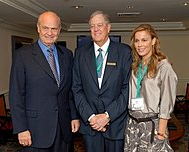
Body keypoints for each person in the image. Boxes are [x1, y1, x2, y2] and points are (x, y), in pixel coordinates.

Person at [9, 11, 79, 152]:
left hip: (64, 129)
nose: (49, 32)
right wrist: (21, 128)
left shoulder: (67, 54)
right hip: (36, 130)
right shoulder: (22, 55)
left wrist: (74, 116)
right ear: (38, 28)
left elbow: (69, 91)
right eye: (45, 28)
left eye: (53, 28)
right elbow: (16, 95)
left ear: (59, 30)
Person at [72, 10, 132, 152]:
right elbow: (76, 88)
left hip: (116, 124)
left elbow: (127, 88)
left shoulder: (124, 52)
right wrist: (91, 117)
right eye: (92, 26)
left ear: (108, 27)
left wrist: (107, 116)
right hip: (90, 125)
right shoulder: (80, 53)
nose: (96, 29)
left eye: (100, 25)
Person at [124, 24, 177, 152]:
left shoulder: (164, 67)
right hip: (132, 123)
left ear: (153, 41)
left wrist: (161, 134)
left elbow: (166, 103)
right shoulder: (135, 65)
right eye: (137, 41)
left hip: (152, 125)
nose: (140, 44)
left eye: (144, 40)